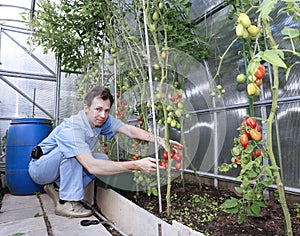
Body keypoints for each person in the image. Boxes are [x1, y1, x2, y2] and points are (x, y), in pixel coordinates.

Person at [28, 85, 181, 218]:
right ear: (86, 108)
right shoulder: (73, 128)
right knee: (77, 155)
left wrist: (160, 140)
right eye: (98, 109)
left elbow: (128, 130)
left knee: (101, 158)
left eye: (106, 110)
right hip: (40, 169)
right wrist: (135, 165)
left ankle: (56, 187)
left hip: (55, 166)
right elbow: (92, 166)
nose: (103, 115)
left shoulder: (101, 120)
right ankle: (66, 203)